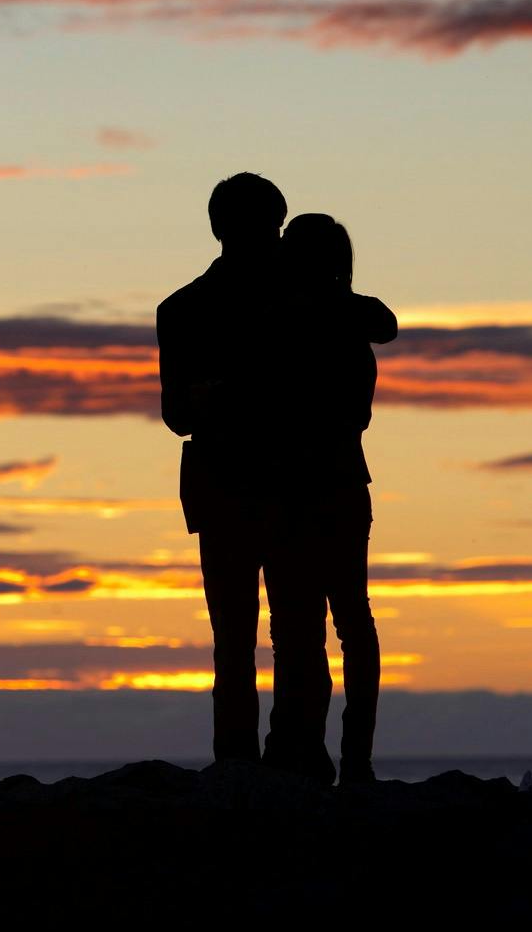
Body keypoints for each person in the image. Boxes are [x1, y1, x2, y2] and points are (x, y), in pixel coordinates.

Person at [156, 174, 395, 785]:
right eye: (251, 226)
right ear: (221, 229)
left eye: (268, 227)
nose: (261, 238)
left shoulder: (305, 297)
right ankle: (243, 762)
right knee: (240, 639)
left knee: (296, 634)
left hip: (296, 486)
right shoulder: (185, 309)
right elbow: (175, 413)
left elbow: (375, 320)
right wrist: (213, 398)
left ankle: (296, 758)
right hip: (230, 488)